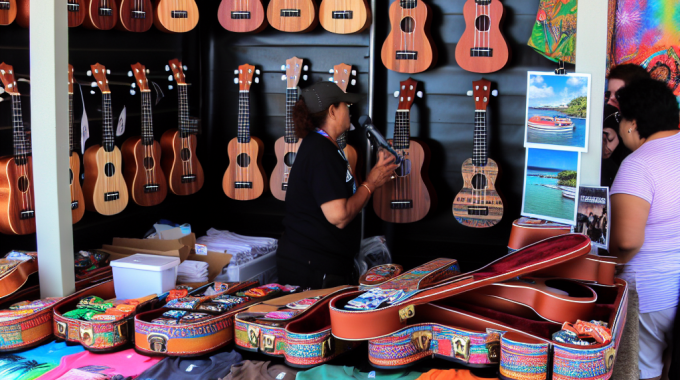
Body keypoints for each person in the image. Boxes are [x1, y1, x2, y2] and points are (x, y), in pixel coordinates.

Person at [276, 82, 399, 289]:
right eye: (346, 106)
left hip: (321, 263)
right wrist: (371, 182)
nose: (349, 111)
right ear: (332, 111)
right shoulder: (321, 152)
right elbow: (339, 216)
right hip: (312, 269)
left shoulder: (324, 146)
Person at [610, 79, 680, 380]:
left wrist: (609, 267)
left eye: (620, 117)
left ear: (632, 123)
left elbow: (626, 241)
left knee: (642, 371)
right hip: (675, 286)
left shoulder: (638, 165)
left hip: (648, 292)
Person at [602, 65, 650, 186]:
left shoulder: (653, 130)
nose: (610, 100)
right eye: (608, 94)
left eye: (618, 95)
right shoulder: (606, 114)